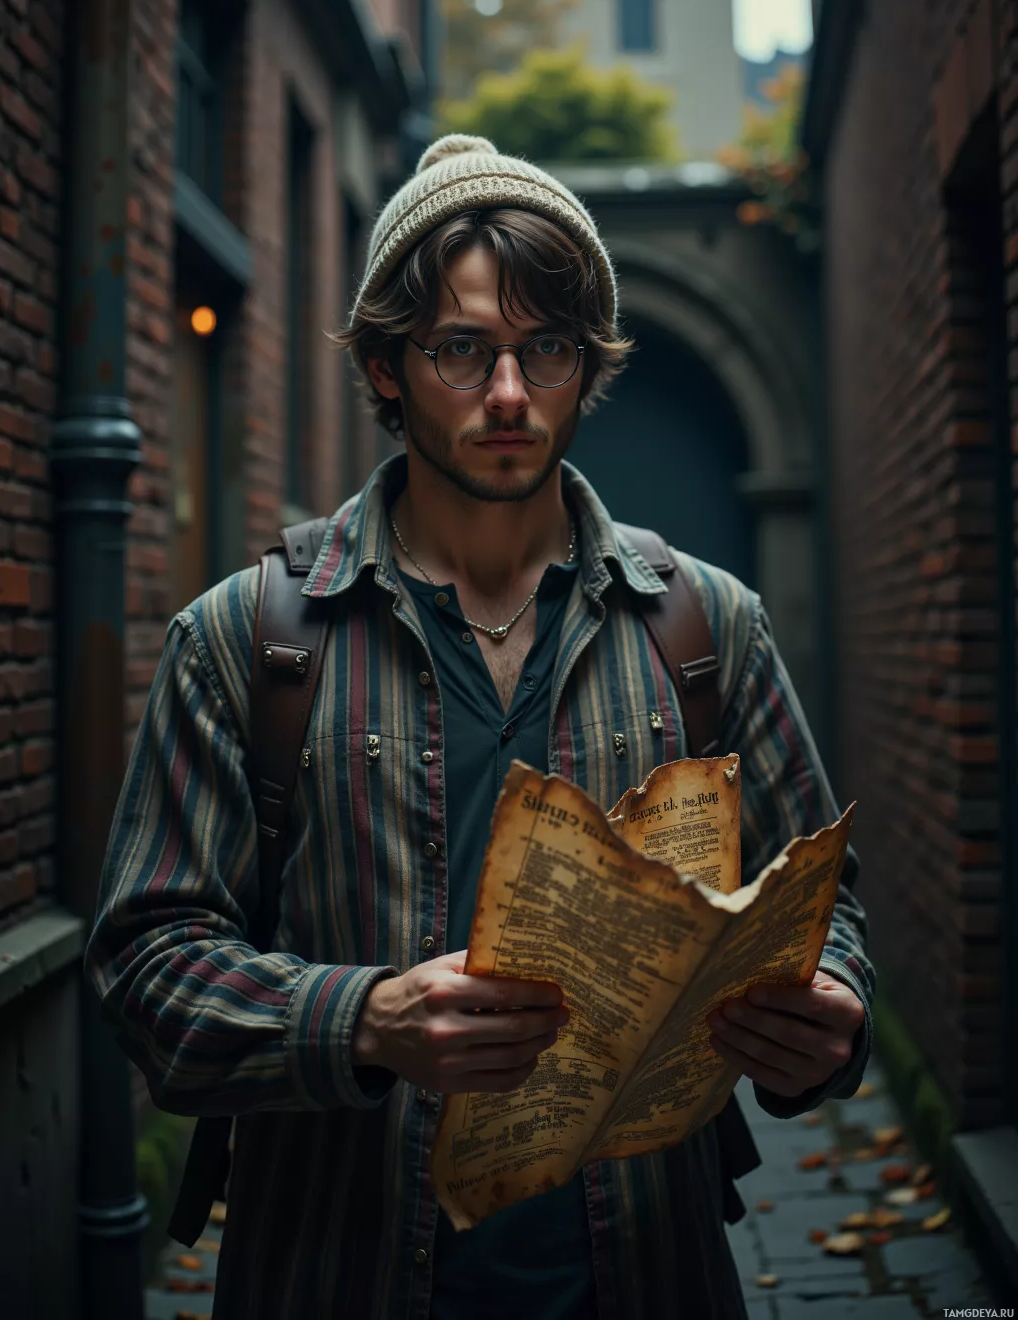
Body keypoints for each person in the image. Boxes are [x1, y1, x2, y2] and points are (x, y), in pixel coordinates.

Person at [86, 134, 874, 1320]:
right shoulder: (250, 641)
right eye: (462, 349)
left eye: (544, 349)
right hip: (336, 1273)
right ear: (390, 366)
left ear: (582, 365)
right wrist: (361, 1021)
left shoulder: (705, 629)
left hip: (647, 1275)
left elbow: (831, 900)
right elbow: (146, 966)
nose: (509, 394)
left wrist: (832, 1014)